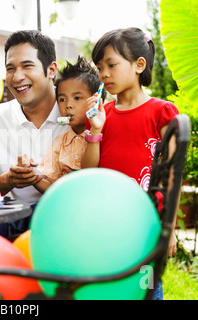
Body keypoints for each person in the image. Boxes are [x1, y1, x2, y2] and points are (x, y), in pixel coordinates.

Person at [80, 27, 179, 300]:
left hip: (146, 227)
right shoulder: (101, 115)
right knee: (109, 288)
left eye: (111, 64)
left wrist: (169, 227)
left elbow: (173, 174)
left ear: (139, 65)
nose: (104, 74)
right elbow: (88, 172)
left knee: (145, 290)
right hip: (106, 221)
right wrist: (95, 129)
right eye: (99, 68)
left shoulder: (162, 112)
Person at [0, 30, 68, 239]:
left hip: (66, 224)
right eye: (10, 68)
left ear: (51, 70)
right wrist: (9, 180)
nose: (17, 77)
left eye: (27, 66)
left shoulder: (76, 113)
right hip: (10, 229)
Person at [19, 56, 106, 193]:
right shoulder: (59, 142)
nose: (68, 105)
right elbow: (51, 187)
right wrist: (31, 175)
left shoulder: (106, 135)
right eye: (62, 99)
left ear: (96, 100)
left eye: (77, 98)